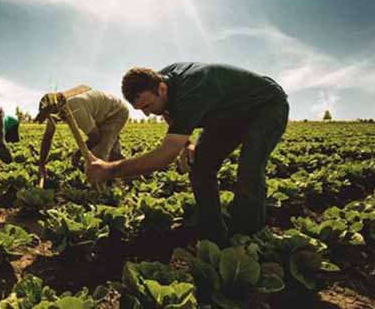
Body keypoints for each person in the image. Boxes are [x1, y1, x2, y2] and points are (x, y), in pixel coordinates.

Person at [85, 63, 289, 245]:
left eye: (148, 106)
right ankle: (214, 235)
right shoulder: (161, 81)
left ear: (162, 89)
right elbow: (168, 112)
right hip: (225, 116)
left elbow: (166, 155)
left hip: (265, 107)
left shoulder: (194, 88)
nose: (147, 113)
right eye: (141, 110)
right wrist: (187, 144)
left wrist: (109, 170)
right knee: (200, 167)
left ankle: (248, 238)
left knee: (249, 169)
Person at [35, 87, 129, 179]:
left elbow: (95, 138)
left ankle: (98, 190)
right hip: (102, 114)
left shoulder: (74, 109)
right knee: (112, 153)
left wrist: (78, 154)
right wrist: (41, 164)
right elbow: (48, 137)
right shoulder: (57, 105)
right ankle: (129, 176)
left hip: (116, 113)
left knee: (98, 155)